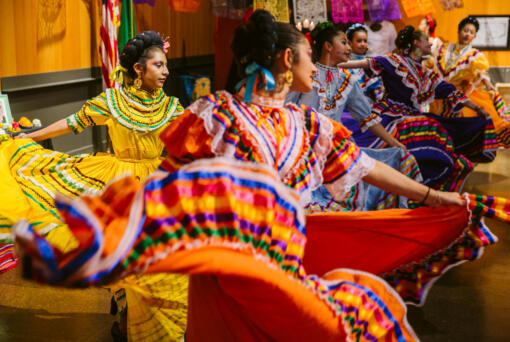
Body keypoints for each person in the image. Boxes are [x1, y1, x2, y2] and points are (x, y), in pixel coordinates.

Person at [12, 10, 510, 340]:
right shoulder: (216, 115)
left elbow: (366, 166)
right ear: (288, 60)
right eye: (311, 56)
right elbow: (168, 185)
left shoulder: (309, 124)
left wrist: (432, 197)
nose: (317, 66)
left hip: (280, 270)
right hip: (231, 272)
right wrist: (110, 237)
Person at [0, 31, 187, 341]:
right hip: (117, 180)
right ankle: (126, 310)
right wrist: (28, 137)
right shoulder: (113, 101)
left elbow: (192, 134)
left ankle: (145, 317)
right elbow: (74, 122)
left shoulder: (170, 106)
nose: (166, 71)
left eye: (166, 65)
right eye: (158, 65)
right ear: (138, 69)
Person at [337, 25, 496, 192]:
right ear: (416, 43)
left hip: (411, 114)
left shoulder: (426, 73)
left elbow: (452, 92)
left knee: (438, 129)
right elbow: (364, 63)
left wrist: (478, 108)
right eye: (426, 41)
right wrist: (334, 63)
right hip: (388, 114)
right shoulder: (393, 60)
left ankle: (419, 187)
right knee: (423, 128)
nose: (430, 44)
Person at [288, 22, 422, 212]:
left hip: (335, 153)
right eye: (343, 42)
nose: (349, 47)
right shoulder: (306, 75)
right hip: (303, 153)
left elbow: (368, 118)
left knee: (399, 157)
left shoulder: (348, 80)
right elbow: (284, 107)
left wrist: (395, 143)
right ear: (328, 46)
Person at [426, 16, 510, 152]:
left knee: (462, 125)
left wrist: (488, 84)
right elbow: (431, 63)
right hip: (439, 96)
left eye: (471, 32)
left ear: (474, 37)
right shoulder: (444, 48)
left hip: (460, 94)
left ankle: (458, 153)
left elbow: (480, 72)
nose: (467, 34)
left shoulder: (474, 55)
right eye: (465, 30)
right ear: (459, 32)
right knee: (438, 125)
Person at [346, 23, 384, 101]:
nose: (363, 44)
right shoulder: (345, 64)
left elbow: (377, 90)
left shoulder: (370, 62)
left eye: (365, 41)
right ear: (350, 43)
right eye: (359, 41)